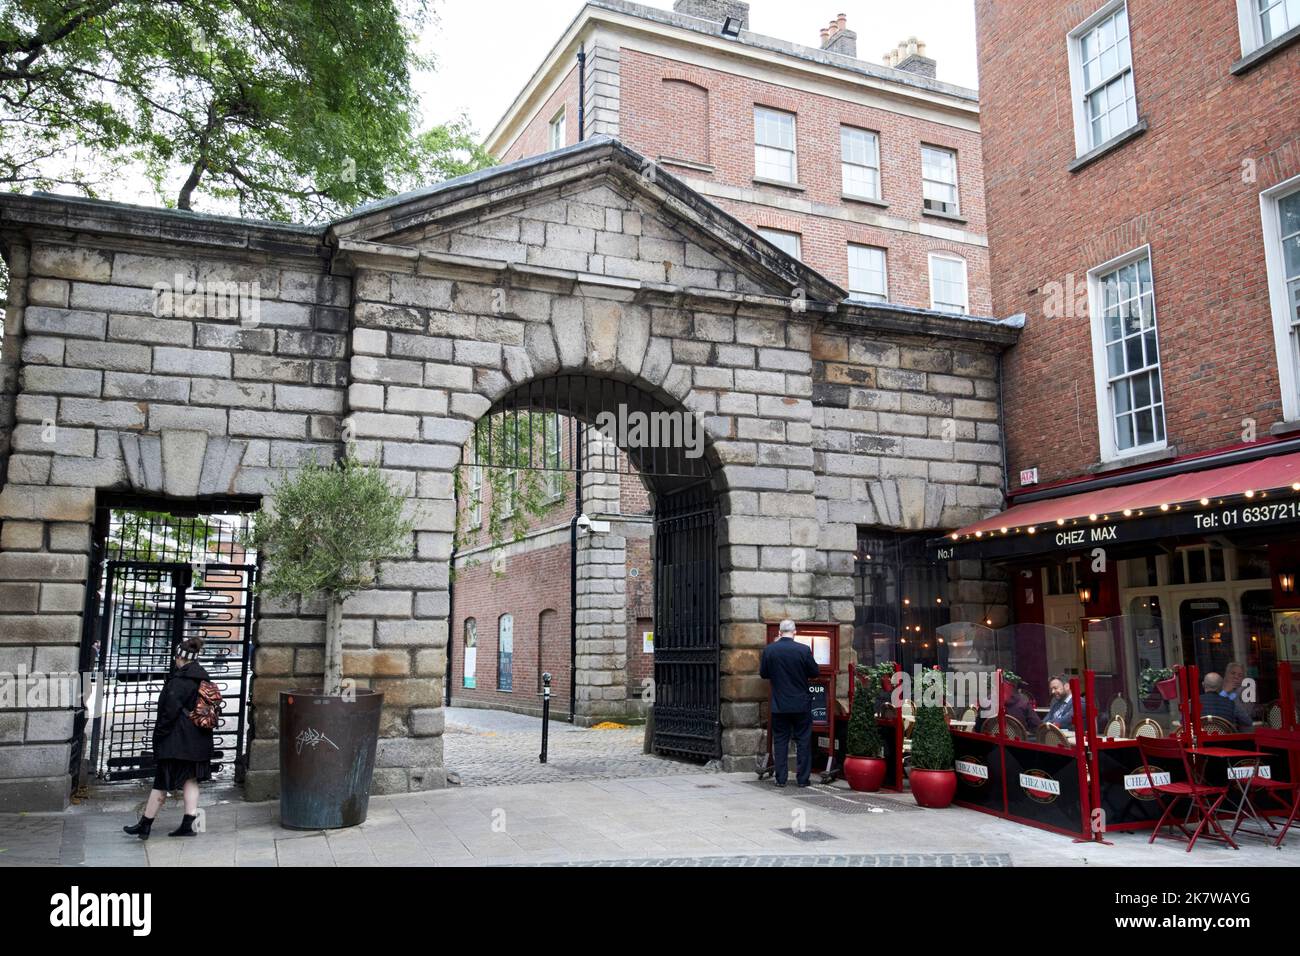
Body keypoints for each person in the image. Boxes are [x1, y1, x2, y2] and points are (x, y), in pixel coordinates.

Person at [123, 637, 214, 840]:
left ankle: (145, 825)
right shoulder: (204, 679)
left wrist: (160, 737)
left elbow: (167, 714)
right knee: (190, 780)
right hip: (199, 740)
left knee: (161, 783)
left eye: (176, 657)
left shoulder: (178, 682)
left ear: (180, 658)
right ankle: (187, 825)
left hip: (177, 742)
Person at [760, 619, 821, 788]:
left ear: (779, 633)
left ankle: (781, 779)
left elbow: (764, 674)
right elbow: (814, 672)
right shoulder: (803, 650)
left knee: (780, 741)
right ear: (795, 632)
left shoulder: (770, 650)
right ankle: (802, 779)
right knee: (803, 741)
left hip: (780, 704)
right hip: (801, 704)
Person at [1220, 661, 1255, 730]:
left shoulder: (1246, 692)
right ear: (1226, 675)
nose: (1236, 677)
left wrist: (1232, 695)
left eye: (1240, 675)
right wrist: (1224, 693)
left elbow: (1247, 720)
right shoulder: (1217, 688)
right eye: (1233, 673)